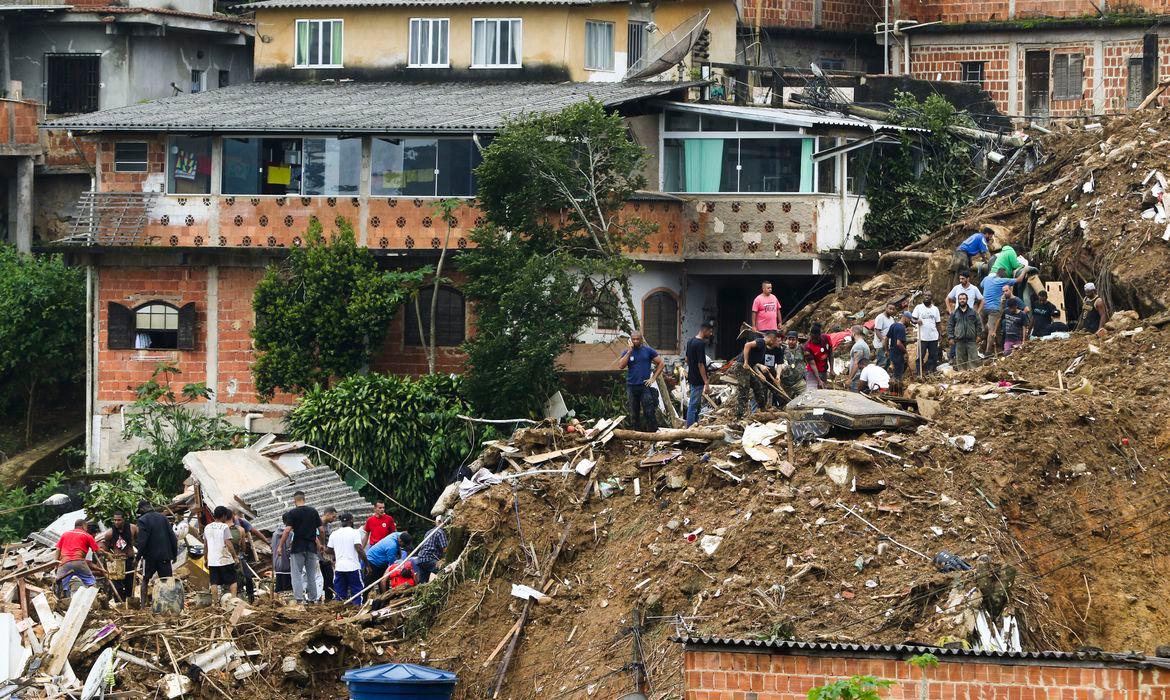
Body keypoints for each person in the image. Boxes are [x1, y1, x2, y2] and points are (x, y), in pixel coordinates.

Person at [277, 491, 322, 604]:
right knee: (311, 574)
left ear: (294, 500)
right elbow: (321, 530)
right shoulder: (313, 511)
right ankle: (312, 600)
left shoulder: (292, 513)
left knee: (296, 574)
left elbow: (287, 530)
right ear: (304, 499)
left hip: (297, 547)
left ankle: (299, 600)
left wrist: (280, 546)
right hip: (311, 547)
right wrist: (322, 544)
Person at [617, 331, 664, 433]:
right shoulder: (627, 352)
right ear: (630, 340)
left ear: (641, 339)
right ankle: (636, 436)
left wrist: (653, 378)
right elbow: (620, 366)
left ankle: (652, 434)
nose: (635, 341)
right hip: (631, 386)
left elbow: (661, 363)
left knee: (649, 411)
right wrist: (629, 351)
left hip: (644, 386)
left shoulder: (648, 351)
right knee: (634, 413)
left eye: (637, 339)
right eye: (633, 339)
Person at [136, 500, 178, 603]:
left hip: (150, 557)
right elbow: (173, 537)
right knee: (168, 580)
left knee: (145, 580)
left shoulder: (142, 520)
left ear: (142, 509)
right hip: (164, 556)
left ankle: (143, 605)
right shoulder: (163, 518)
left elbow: (142, 541)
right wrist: (174, 553)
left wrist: (137, 558)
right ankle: (170, 604)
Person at [327, 513, 367, 605]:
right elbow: (359, 548)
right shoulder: (355, 532)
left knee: (339, 595)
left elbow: (328, 550)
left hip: (339, 568)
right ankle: (357, 611)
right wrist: (367, 564)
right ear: (352, 520)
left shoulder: (334, 533)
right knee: (357, 592)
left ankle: (339, 613)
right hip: (353, 567)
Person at [740, 330, 784, 413]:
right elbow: (753, 362)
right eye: (777, 341)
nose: (779, 343)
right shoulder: (761, 344)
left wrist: (778, 376)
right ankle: (754, 411)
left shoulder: (779, 349)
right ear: (773, 339)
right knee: (758, 390)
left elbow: (779, 364)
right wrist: (760, 367)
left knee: (777, 392)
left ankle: (770, 410)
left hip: (770, 373)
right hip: (757, 372)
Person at [56, 518, 103, 592]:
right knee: (91, 581)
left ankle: (63, 600)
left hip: (64, 562)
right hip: (78, 561)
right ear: (83, 526)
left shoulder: (65, 534)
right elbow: (98, 551)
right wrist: (107, 554)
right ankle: (94, 599)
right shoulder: (87, 536)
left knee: (61, 584)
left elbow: (58, 549)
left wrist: (56, 563)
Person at [981, 267, 1018, 356]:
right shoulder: (1002, 281)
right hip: (994, 309)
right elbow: (1018, 280)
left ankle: (983, 339)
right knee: (992, 330)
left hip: (983, 307)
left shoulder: (986, 279)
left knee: (987, 327)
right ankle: (988, 352)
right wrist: (1025, 270)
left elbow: (981, 285)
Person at [685, 320, 715, 427]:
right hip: (698, 379)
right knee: (693, 404)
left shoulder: (690, 341)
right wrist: (706, 382)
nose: (711, 334)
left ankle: (695, 424)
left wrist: (692, 370)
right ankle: (689, 428)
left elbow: (686, 359)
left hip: (692, 377)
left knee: (696, 404)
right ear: (705, 330)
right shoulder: (700, 344)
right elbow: (701, 364)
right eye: (710, 332)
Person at [101, 511, 137, 601]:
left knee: (130, 584)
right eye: (115, 520)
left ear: (124, 520)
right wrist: (110, 555)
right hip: (116, 562)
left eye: (119, 520)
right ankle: (119, 603)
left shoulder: (133, 528)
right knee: (118, 585)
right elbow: (105, 549)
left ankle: (130, 603)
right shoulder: (110, 533)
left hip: (129, 560)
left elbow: (140, 541)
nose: (117, 522)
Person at [204, 506, 238, 598]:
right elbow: (228, 542)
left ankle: (215, 603)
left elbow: (205, 545)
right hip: (225, 559)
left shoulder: (207, 527)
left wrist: (206, 558)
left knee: (214, 582)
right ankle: (233, 600)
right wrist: (235, 556)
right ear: (223, 515)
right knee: (233, 580)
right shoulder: (224, 527)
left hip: (212, 560)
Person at [947, 292, 982, 370]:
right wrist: (950, 337)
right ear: (958, 300)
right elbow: (950, 326)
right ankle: (962, 376)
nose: (962, 300)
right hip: (959, 341)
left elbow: (979, 324)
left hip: (971, 341)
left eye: (963, 299)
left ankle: (973, 376)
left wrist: (979, 335)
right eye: (960, 299)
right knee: (960, 361)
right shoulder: (954, 313)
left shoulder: (973, 312)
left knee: (973, 360)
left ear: (967, 300)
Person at [912, 292, 942, 376]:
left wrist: (940, 334)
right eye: (925, 295)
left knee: (933, 356)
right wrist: (917, 321)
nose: (927, 297)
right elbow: (912, 319)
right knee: (920, 356)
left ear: (932, 298)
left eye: (929, 296)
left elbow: (938, 323)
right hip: (922, 337)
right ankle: (919, 373)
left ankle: (930, 372)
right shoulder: (918, 307)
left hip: (933, 337)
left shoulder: (935, 309)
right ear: (923, 297)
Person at [412, 521, 448, 585]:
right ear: (441, 522)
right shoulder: (440, 532)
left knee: (422, 583)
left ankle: (420, 593)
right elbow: (445, 549)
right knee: (445, 572)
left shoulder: (428, 532)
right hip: (429, 558)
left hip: (420, 559)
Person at [778, 331, 807, 400]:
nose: (791, 341)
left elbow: (808, 361)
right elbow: (778, 363)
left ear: (797, 340)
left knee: (805, 398)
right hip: (785, 383)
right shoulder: (782, 349)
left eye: (793, 339)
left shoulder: (801, 349)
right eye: (789, 339)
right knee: (785, 403)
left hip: (799, 381)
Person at [803, 323, 833, 390]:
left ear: (820, 335)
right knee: (812, 392)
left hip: (823, 370)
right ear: (810, 336)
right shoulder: (807, 347)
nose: (814, 341)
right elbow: (812, 364)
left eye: (816, 339)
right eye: (813, 339)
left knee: (822, 392)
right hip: (812, 372)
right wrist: (818, 380)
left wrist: (831, 369)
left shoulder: (826, 338)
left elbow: (831, 353)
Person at [318, 506, 338, 602]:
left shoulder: (329, 526)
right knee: (320, 578)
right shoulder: (316, 524)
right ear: (327, 514)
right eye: (333, 517)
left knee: (329, 577)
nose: (334, 519)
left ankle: (328, 598)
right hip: (318, 555)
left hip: (326, 556)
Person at [885, 313, 908, 388]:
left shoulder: (893, 325)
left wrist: (886, 350)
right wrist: (905, 352)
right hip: (898, 355)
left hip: (892, 352)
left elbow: (886, 338)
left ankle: (890, 389)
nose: (909, 322)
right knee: (898, 376)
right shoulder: (901, 328)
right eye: (909, 320)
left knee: (892, 373)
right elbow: (899, 343)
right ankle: (896, 392)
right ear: (905, 318)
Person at [272, 512, 293, 593]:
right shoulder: (290, 533)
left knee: (279, 589)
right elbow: (289, 548)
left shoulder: (275, 534)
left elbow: (273, 548)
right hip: (288, 565)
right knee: (288, 591)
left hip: (277, 565)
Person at [873, 303, 897, 369]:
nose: (891, 310)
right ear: (886, 308)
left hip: (888, 344)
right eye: (890, 309)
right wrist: (882, 340)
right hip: (880, 345)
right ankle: (877, 378)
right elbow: (877, 330)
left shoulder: (891, 319)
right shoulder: (880, 317)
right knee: (881, 363)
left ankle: (884, 377)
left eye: (893, 309)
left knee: (887, 362)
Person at [847, 326, 871, 392]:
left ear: (854, 333)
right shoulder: (863, 344)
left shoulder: (858, 346)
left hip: (856, 380)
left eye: (851, 332)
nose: (850, 334)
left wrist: (849, 379)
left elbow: (856, 364)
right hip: (860, 378)